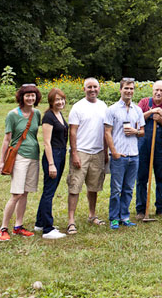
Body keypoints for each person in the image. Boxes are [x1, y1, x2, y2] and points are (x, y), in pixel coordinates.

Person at [0, 84, 43, 241]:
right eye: (27, 95)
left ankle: (18, 226)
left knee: (25, 193)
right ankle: (3, 228)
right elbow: (6, 139)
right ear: (21, 97)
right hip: (19, 157)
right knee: (16, 193)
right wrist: (1, 161)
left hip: (34, 157)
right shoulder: (12, 115)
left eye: (33, 95)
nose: (30, 98)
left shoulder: (36, 114)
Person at [67, 77, 108, 234]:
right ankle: (71, 220)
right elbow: (73, 131)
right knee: (75, 186)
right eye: (89, 87)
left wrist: (105, 151)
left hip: (97, 152)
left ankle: (92, 215)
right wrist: (75, 153)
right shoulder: (78, 107)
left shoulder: (103, 106)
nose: (92, 90)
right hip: (81, 152)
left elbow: (106, 131)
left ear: (99, 88)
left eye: (95, 87)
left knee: (94, 186)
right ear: (84, 89)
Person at [105, 78, 145, 229]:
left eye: (131, 89)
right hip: (119, 156)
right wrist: (114, 152)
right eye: (126, 88)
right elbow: (107, 133)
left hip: (134, 155)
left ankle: (125, 216)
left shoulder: (138, 110)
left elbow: (142, 132)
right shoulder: (112, 109)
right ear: (120, 90)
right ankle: (114, 218)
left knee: (128, 188)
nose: (129, 91)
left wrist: (135, 131)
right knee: (116, 189)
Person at [135, 80, 162, 220]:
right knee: (141, 178)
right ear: (152, 90)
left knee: (161, 178)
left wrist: (161, 119)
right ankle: (141, 209)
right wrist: (151, 113)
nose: (158, 93)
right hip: (143, 145)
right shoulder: (144, 103)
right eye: (156, 90)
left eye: (161, 91)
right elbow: (136, 119)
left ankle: (161, 209)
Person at [34, 88, 69, 239]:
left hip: (61, 153)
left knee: (50, 190)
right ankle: (48, 229)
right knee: (49, 191)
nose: (60, 102)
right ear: (51, 102)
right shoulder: (48, 116)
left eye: (62, 99)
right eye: (57, 100)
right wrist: (51, 164)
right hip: (53, 155)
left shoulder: (59, 114)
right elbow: (46, 143)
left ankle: (40, 223)